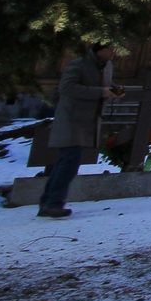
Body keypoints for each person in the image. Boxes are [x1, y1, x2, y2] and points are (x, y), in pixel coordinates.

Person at [39, 42, 124, 219]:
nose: (113, 53)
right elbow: (67, 88)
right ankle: (53, 204)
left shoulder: (107, 67)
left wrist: (114, 89)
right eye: (110, 50)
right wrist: (101, 92)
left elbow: (102, 83)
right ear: (99, 50)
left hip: (89, 120)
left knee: (65, 162)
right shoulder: (78, 64)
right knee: (69, 162)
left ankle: (48, 202)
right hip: (72, 119)